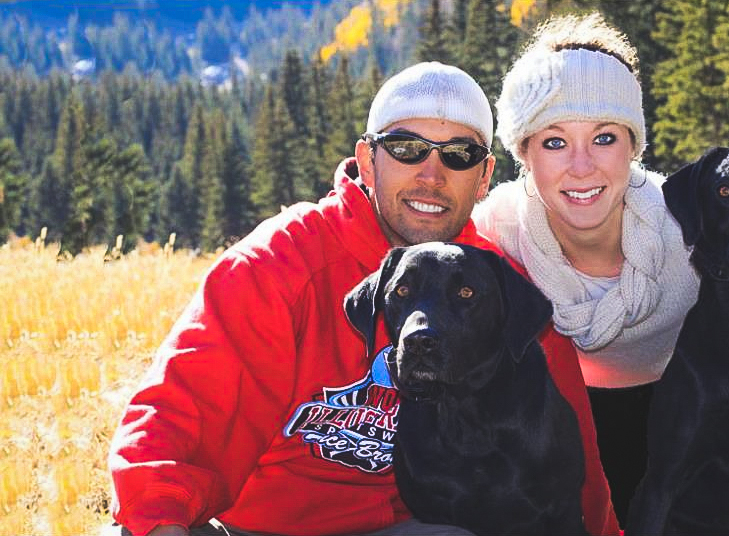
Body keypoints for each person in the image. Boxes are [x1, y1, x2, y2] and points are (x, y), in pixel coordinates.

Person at [107, 62, 619, 536]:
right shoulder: (281, 265)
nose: (431, 175)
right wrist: (159, 512)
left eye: (458, 156)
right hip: (259, 527)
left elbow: (571, 463)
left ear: (484, 177)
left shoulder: (494, 290)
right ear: (367, 162)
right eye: (405, 148)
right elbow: (177, 419)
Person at [473, 13, 729, 529]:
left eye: (604, 138)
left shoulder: (682, 227)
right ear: (524, 154)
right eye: (554, 141)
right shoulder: (497, 233)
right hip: (579, 428)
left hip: (686, 411)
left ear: (633, 147)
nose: (581, 166)